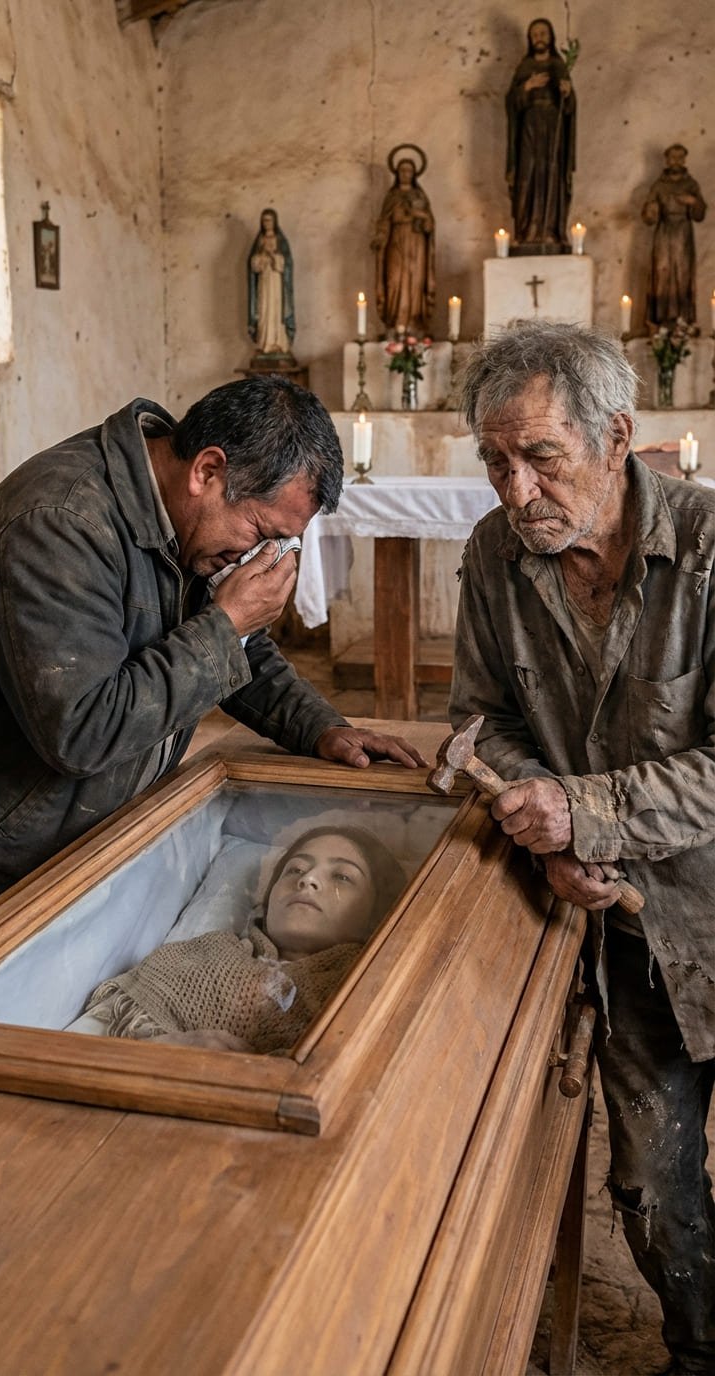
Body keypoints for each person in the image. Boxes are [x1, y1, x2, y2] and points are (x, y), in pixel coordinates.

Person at [449, 318, 715, 1376]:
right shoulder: (494, 555)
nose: (517, 491)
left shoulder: (708, 549)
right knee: (650, 1183)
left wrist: (584, 810)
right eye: (495, 462)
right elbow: (482, 722)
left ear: (616, 437)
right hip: (624, 934)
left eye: (540, 456)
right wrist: (544, 827)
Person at [0, 376, 425, 928]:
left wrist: (318, 728)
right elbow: (83, 732)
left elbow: (236, 649)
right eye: (261, 530)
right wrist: (229, 621)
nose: (261, 555)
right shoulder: (59, 523)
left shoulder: (182, 517)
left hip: (93, 840)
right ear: (207, 471)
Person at [84, 825, 406, 1052]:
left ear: (377, 915)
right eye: (294, 870)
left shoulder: (374, 993)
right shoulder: (201, 958)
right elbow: (98, 1051)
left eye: (342, 877)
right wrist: (162, 1051)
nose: (307, 879)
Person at [505, 18, 576, 251]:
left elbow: (570, 108)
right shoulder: (524, 68)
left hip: (553, 129)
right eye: (535, 34)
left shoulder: (559, 66)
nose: (539, 38)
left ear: (551, 36)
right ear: (530, 39)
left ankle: (551, 231)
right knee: (528, 175)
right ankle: (526, 231)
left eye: (543, 33)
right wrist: (527, 87)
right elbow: (511, 103)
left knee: (551, 175)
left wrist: (567, 93)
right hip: (529, 128)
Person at [642, 144, 707, 330]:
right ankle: (660, 319)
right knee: (661, 272)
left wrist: (693, 201)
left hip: (683, 233)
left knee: (683, 274)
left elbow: (699, 215)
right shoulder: (659, 185)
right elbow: (648, 218)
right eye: (673, 157)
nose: (676, 161)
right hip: (664, 232)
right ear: (667, 160)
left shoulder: (691, 184)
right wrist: (651, 210)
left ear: (684, 160)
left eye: (680, 157)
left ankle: (682, 320)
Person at [371, 151, 436, 336]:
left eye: (409, 171)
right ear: (397, 173)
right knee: (394, 280)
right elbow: (384, 221)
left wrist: (421, 217)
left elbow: (430, 225)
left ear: (414, 174)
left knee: (416, 281)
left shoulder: (420, 196)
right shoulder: (391, 196)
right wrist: (380, 236)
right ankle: (395, 322)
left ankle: (414, 323)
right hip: (396, 242)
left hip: (417, 244)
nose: (405, 174)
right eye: (402, 170)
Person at [247, 208, 295, 357]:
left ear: (274, 221)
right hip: (264, 281)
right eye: (264, 220)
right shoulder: (259, 241)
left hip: (277, 282)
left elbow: (286, 264)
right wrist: (261, 257)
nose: (266, 223)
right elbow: (253, 265)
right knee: (263, 309)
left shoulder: (280, 240)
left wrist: (274, 256)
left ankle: (278, 342)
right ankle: (264, 343)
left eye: (269, 220)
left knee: (276, 309)